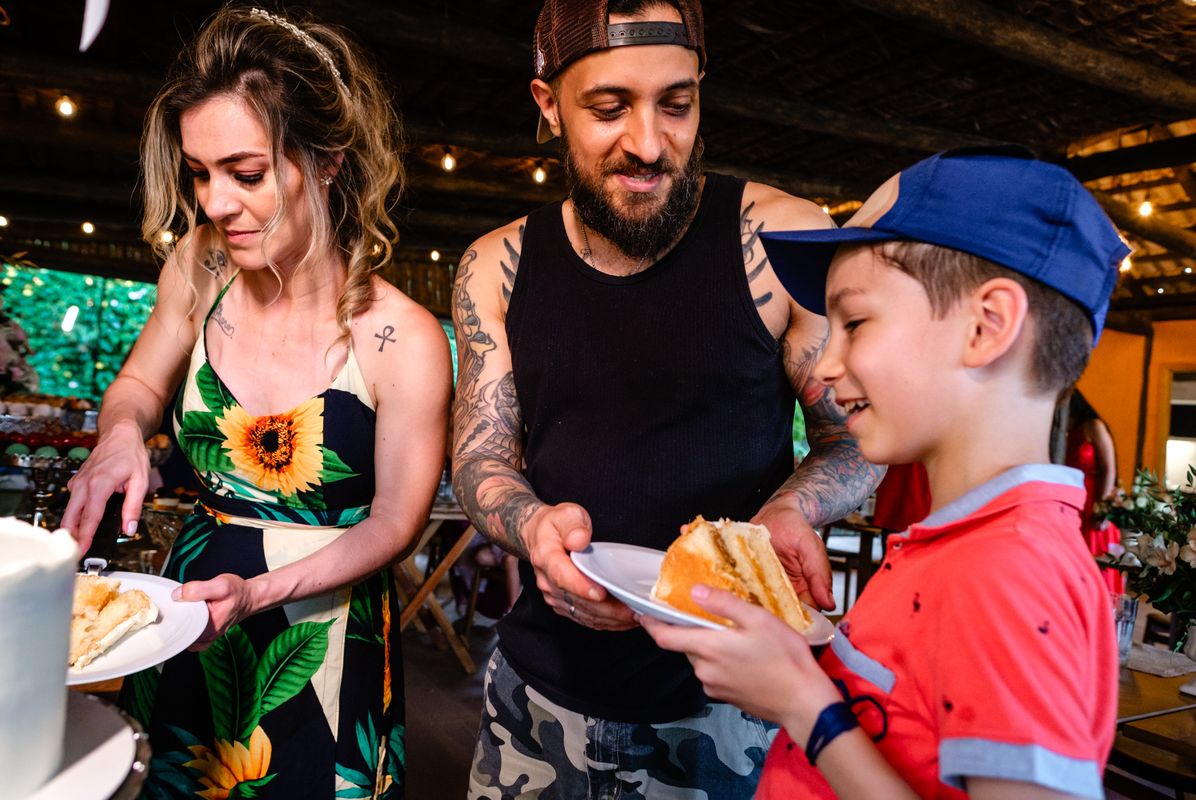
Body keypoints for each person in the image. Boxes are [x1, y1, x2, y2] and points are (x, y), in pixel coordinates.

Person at [452, 0, 881, 796]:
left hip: (734, 712)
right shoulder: (493, 266)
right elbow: (481, 454)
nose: (649, 144)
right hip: (537, 699)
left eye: (676, 105)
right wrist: (534, 527)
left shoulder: (783, 239)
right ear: (547, 104)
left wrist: (790, 514)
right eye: (609, 107)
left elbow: (852, 437)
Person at [643, 146, 1124, 799]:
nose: (828, 362)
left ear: (986, 326)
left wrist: (804, 705)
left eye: (856, 322)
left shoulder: (1008, 574)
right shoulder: (966, 547)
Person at [60, 8, 451, 797]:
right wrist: (121, 435)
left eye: (246, 172)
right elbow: (138, 385)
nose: (215, 204)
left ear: (328, 161)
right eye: (200, 173)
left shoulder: (401, 339)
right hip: (185, 627)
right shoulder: (199, 270)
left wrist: (262, 591)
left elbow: (395, 524)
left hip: (319, 651)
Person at [1065, 389, 1123, 592]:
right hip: (1073, 506)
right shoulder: (1064, 433)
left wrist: (1103, 509)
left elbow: (1109, 468)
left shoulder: (1093, 426)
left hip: (1094, 503)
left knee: (1093, 569)